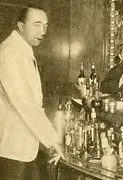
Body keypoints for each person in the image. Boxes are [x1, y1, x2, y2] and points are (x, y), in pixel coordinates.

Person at [0, 5, 64, 180]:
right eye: (36, 24)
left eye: (45, 25)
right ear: (21, 26)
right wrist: (53, 140)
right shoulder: (10, 52)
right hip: (13, 149)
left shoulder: (23, 50)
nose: (43, 31)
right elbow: (24, 103)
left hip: (26, 147)